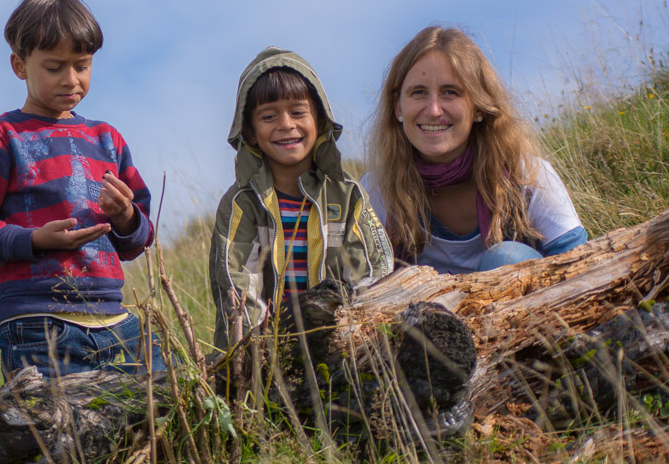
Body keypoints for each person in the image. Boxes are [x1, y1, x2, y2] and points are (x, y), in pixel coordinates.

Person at [0, 0, 164, 379]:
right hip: (38, 325)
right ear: (19, 65)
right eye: (54, 67)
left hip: (115, 320)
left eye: (82, 66)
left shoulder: (108, 140)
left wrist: (126, 217)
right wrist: (34, 240)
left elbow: (140, 238)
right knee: (54, 419)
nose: (71, 79)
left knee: (165, 394)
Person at [362, 25, 586, 275]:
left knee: (504, 258)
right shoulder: (376, 192)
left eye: (450, 92)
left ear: (478, 106)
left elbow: (578, 266)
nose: (433, 110)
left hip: (527, 299)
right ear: (398, 107)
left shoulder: (528, 176)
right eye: (419, 92)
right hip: (420, 302)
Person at [210, 48, 393, 350]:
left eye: (298, 112)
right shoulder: (242, 204)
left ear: (320, 120)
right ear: (250, 132)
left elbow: (371, 275)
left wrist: (353, 339)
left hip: (342, 347)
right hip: (267, 352)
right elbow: (238, 289)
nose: (286, 124)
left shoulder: (347, 196)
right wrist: (265, 354)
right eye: (269, 116)